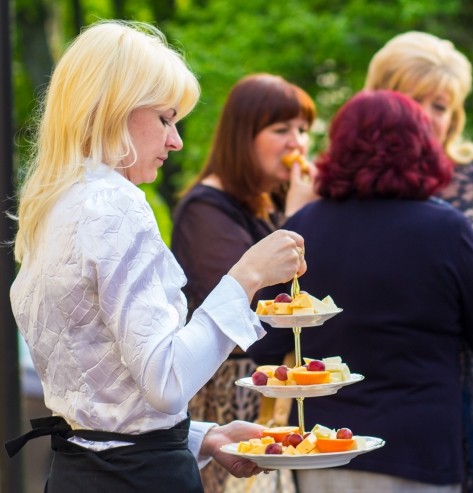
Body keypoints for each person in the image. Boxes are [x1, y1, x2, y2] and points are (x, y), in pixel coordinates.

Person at [6, 20, 308, 493]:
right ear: (114, 109)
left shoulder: (53, 205)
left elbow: (106, 405)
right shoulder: (116, 204)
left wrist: (204, 437)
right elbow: (165, 382)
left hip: (77, 473)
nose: (176, 141)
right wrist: (246, 277)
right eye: (166, 119)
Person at [247, 89, 473, 493]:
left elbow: (264, 346)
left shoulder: (305, 227)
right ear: (422, 148)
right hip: (420, 450)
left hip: (327, 452)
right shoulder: (447, 231)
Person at [363, 30, 473, 492]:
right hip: (383, 385)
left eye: (440, 105)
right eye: (414, 100)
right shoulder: (340, 184)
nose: (427, 118)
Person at [170, 73, 317, 493]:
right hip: (227, 409)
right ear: (243, 136)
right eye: (281, 129)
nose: (298, 144)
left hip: (273, 408)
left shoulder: (268, 204)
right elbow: (259, 325)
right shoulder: (206, 210)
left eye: (303, 130)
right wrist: (301, 218)